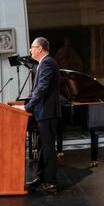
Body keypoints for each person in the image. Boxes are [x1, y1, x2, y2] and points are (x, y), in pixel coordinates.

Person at [22, 37, 61, 194]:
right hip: (43, 113)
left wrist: (28, 107)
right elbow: (36, 90)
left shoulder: (47, 63)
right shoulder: (42, 64)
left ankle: (51, 182)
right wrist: (26, 103)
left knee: (48, 149)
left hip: (47, 113)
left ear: (40, 48)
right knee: (42, 148)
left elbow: (42, 88)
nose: (30, 50)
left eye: (32, 47)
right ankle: (41, 178)